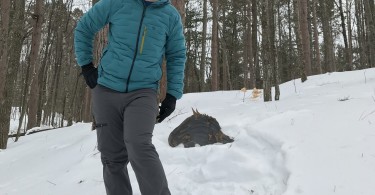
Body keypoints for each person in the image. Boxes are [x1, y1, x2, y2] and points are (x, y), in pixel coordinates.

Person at [74, 0, 186, 194]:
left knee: (139, 145)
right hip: (106, 89)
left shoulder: (170, 16)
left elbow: (176, 54)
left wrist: (172, 95)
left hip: (143, 92)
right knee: (112, 157)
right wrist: (86, 66)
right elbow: (84, 27)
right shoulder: (117, 3)